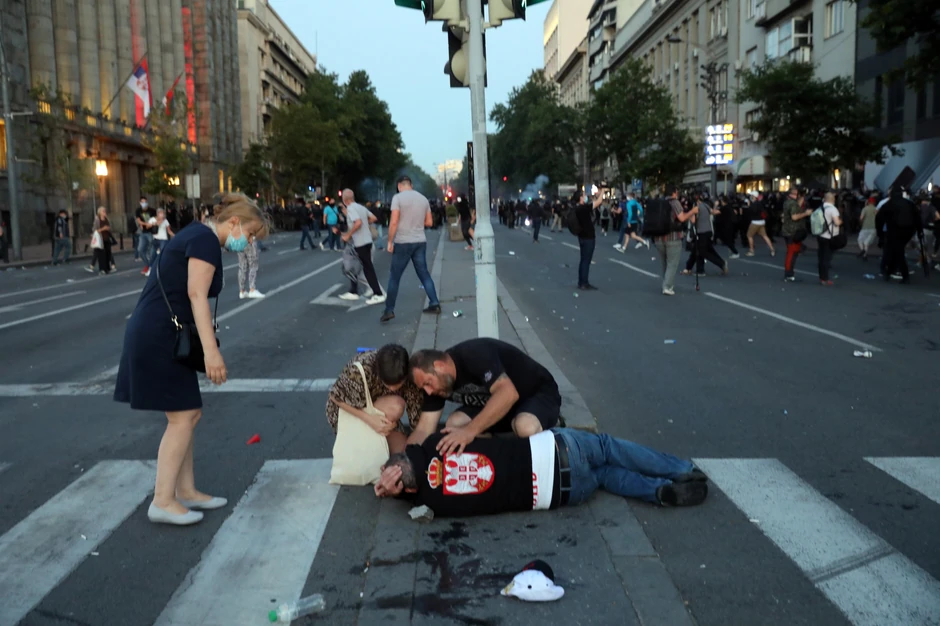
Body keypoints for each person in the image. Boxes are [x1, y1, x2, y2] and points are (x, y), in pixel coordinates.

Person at [114, 193, 269, 526]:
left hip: (161, 331)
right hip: (159, 334)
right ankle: (163, 501)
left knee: (188, 413)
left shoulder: (199, 235)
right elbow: (196, 294)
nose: (250, 242)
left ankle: (185, 491)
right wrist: (211, 352)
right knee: (183, 417)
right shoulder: (205, 240)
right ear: (234, 222)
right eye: (250, 234)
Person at [374, 428, 709, 514]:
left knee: (604, 476)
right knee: (607, 448)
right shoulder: (436, 443)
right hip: (555, 451)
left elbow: (413, 488)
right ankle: (681, 468)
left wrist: (392, 492)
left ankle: (655, 491)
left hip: (562, 495)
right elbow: (404, 443)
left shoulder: (432, 505)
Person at [408, 338, 562, 454]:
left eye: (428, 383)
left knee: (524, 427)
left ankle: (553, 437)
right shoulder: (436, 385)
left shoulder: (473, 353)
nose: (428, 391)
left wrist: (469, 431)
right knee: (454, 424)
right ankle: (494, 456)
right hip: (503, 408)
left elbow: (508, 394)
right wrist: (403, 461)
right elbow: (424, 429)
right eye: (424, 387)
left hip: (536, 394)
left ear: (439, 366)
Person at [327, 344, 426, 455]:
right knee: (396, 407)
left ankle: (379, 438)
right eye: (388, 385)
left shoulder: (410, 376)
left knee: (402, 453)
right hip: (351, 409)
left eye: (398, 384)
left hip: (381, 410)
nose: (392, 389)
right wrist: (370, 420)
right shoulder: (360, 370)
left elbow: (416, 417)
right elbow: (334, 396)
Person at [381, 175, 441, 323]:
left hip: (403, 242)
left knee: (395, 277)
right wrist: (416, 222)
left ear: (399, 186)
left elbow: (394, 221)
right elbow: (429, 222)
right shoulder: (423, 199)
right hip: (420, 241)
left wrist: (390, 241)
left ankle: (389, 310)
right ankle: (434, 303)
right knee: (424, 274)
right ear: (411, 185)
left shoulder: (397, 198)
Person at [339, 188, 385, 304]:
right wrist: (364, 223)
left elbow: (358, 222)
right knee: (358, 266)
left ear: (344, 200)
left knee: (366, 268)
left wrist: (348, 234)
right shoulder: (361, 207)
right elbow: (373, 218)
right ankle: (354, 291)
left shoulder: (351, 208)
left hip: (360, 242)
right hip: (367, 241)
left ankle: (378, 293)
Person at [652, 186, 696, 296]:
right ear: (674, 193)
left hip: (658, 237)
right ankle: (667, 286)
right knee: (672, 263)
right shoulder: (675, 202)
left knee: (665, 263)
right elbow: (682, 218)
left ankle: (667, 283)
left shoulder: (659, 202)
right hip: (673, 237)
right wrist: (692, 211)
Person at [781, 187, 813, 281]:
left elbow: (797, 207)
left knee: (792, 252)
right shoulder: (792, 203)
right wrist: (806, 213)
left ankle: (789, 273)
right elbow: (794, 217)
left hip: (788, 230)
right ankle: (788, 274)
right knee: (792, 253)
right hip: (793, 231)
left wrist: (802, 197)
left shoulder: (788, 202)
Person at [576, 189, 604, 290]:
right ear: (581, 198)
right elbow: (599, 202)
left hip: (581, 236)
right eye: (584, 195)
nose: (586, 197)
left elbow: (594, 202)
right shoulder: (584, 208)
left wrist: (596, 196)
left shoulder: (577, 208)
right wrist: (603, 192)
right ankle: (584, 283)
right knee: (586, 260)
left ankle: (581, 281)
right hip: (588, 237)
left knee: (583, 259)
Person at [817, 191, 842, 286]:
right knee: (826, 258)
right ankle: (825, 278)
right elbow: (837, 222)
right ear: (833, 199)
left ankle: (821, 277)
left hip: (820, 234)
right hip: (829, 236)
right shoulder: (832, 209)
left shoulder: (820, 207)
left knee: (821, 257)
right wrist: (841, 221)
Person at [86, 206, 114, 275]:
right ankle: (102, 269)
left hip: (107, 238)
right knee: (101, 255)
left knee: (107, 254)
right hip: (100, 239)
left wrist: (108, 228)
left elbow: (110, 227)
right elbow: (94, 230)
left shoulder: (107, 219)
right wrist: (103, 229)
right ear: (100, 212)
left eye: (105, 211)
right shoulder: (97, 220)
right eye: (103, 211)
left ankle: (107, 268)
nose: (105, 212)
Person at [137, 197, 155, 276]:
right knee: (140, 249)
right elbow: (139, 221)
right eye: (142, 202)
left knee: (152, 250)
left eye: (145, 202)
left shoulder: (152, 211)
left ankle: (151, 266)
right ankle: (147, 264)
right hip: (143, 232)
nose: (144, 203)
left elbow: (154, 220)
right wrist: (146, 224)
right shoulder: (138, 210)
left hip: (151, 232)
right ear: (140, 203)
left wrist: (150, 224)